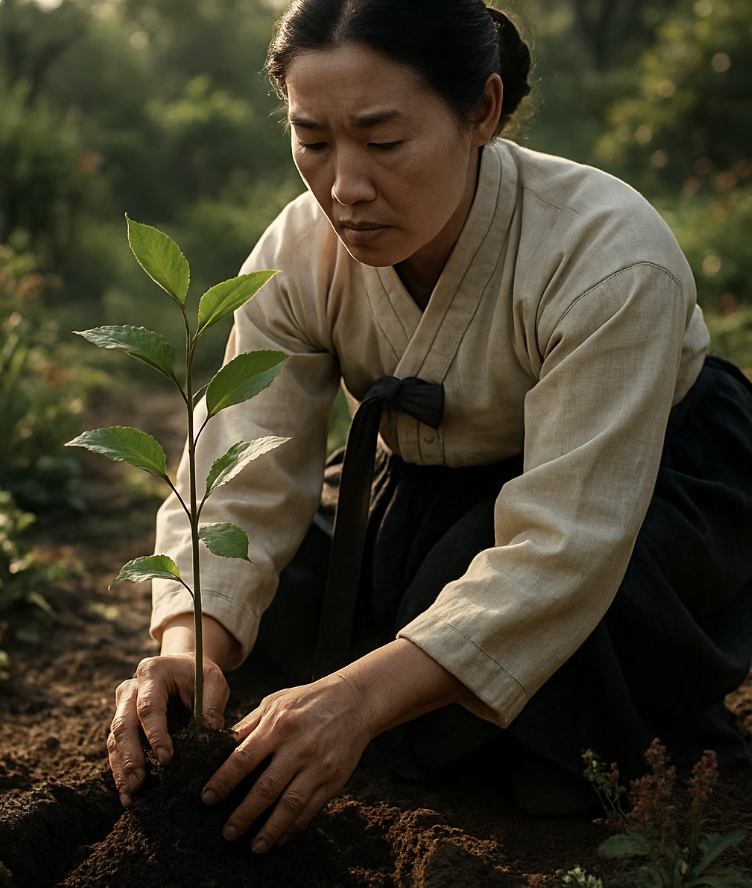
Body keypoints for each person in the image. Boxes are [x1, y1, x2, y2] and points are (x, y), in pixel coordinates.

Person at [107, 0, 752, 857]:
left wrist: (359, 701)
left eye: (383, 141)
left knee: (473, 623)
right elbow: (245, 468)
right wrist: (192, 645)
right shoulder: (298, 251)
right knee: (269, 638)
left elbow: (570, 536)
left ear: (481, 112)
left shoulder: (605, 251)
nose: (346, 186)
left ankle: (593, 728)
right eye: (313, 141)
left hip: (643, 487)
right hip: (420, 484)